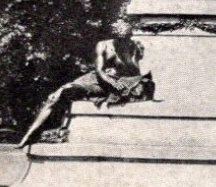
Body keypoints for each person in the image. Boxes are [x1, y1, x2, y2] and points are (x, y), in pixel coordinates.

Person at [18, 20, 154, 148]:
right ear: (114, 36)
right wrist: (111, 79)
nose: (123, 41)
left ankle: (49, 130)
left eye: (125, 38)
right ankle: (31, 134)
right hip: (98, 80)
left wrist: (124, 74)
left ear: (129, 36)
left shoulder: (135, 47)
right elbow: (99, 70)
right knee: (59, 94)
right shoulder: (103, 45)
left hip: (120, 83)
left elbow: (136, 71)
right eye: (120, 39)